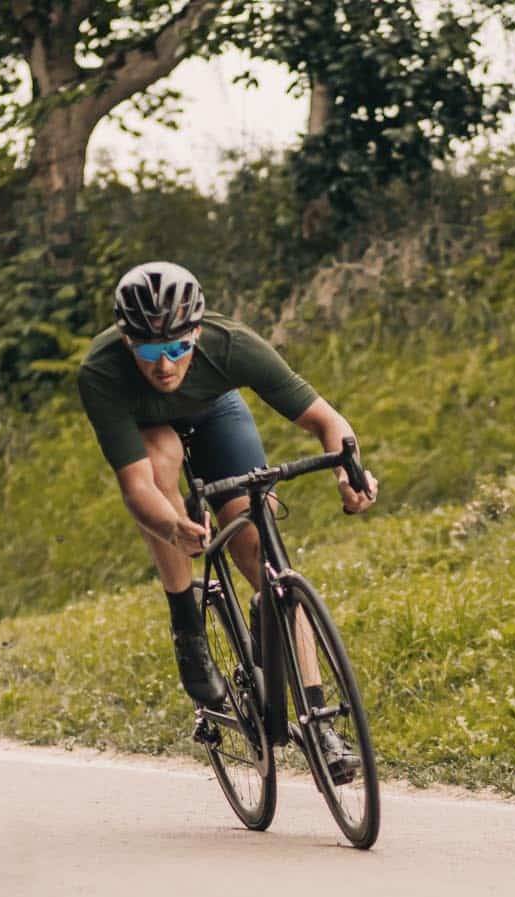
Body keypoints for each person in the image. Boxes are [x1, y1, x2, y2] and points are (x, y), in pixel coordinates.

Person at [77, 260, 378, 714]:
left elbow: (326, 420)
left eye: (178, 348)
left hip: (215, 413)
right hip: (150, 430)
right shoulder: (101, 372)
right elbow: (136, 487)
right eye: (148, 351)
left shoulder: (232, 344)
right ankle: (187, 626)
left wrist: (348, 472)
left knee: (257, 544)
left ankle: (320, 716)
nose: (164, 365)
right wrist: (173, 527)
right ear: (126, 341)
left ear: (196, 333)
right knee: (161, 462)